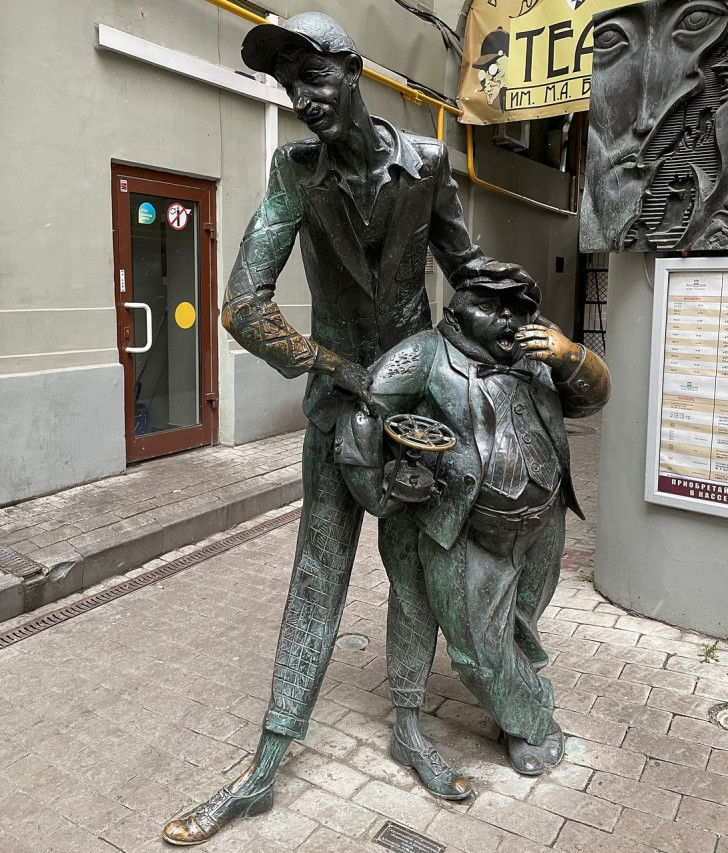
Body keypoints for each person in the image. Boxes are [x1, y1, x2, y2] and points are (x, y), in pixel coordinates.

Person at [163, 12, 533, 846]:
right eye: (290, 86)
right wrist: (331, 366)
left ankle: (409, 731)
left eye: (314, 78)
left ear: (354, 71)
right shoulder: (295, 173)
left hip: (420, 416)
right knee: (316, 574)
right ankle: (265, 763)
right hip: (340, 407)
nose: (303, 99)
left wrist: (511, 319)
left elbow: (463, 266)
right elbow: (240, 303)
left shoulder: (430, 164)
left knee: (414, 577)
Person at [337, 280, 610, 776]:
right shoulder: (426, 353)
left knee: (520, 624)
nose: (509, 319)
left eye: (516, 309)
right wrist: (379, 491)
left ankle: (514, 699)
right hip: (464, 528)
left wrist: (572, 357)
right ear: (458, 314)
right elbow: (363, 410)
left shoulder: (537, 346)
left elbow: (591, 402)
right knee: (477, 650)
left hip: (542, 521)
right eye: (491, 308)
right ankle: (533, 721)